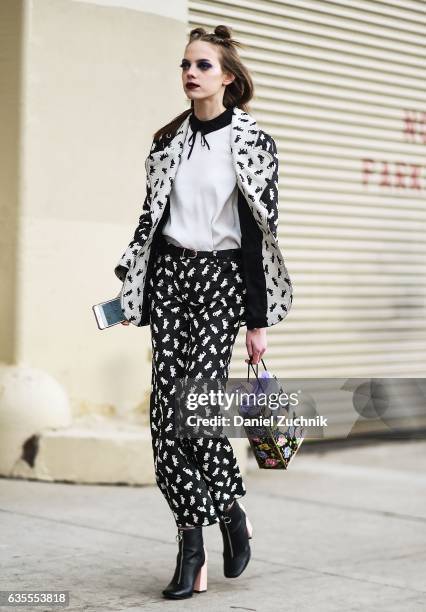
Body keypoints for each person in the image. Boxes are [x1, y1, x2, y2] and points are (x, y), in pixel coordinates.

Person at [115, 24, 293, 600]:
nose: (191, 73)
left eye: (203, 65)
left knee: (196, 412)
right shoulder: (168, 140)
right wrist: (131, 290)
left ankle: (228, 519)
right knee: (165, 421)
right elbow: (149, 223)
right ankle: (194, 541)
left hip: (221, 281)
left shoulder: (252, 142)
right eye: (185, 64)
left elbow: (257, 236)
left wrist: (257, 321)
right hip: (170, 279)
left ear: (230, 78)